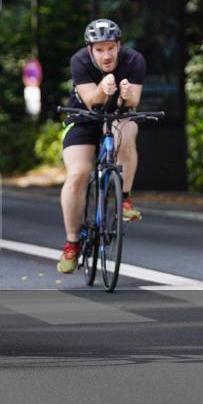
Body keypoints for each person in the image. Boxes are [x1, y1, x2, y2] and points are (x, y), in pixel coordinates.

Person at [57, 19, 146, 274]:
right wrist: (103, 89)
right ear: (90, 50)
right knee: (78, 174)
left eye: (110, 48)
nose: (106, 55)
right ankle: (72, 242)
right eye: (99, 49)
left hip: (117, 117)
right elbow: (91, 102)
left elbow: (134, 102)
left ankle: (125, 199)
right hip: (84, 117)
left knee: (128, 131)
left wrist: (126, 95)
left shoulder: (134, 60)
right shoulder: (79, 61)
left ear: (119, 45)